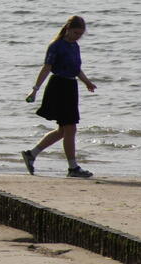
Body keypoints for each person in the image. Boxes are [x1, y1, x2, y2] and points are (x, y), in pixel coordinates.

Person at [21, 15, 97, 178]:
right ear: (68, 29)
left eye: (80, 34)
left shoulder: (75, 46)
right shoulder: (56, 46)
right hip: (58, 87)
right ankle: (73, 168)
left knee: (63, 130)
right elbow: (46, 68)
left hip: (71, 87)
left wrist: (87, 82)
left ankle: (31, 154)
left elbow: (76, 69)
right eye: (76, 33)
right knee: (70, 128)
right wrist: (35, 90)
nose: (78, 36)